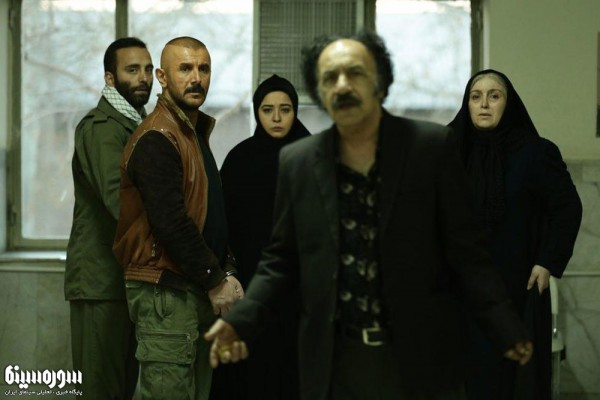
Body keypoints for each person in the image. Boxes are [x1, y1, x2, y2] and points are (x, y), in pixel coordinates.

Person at [204, 31, 535, 400]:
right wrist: (241, 321)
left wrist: (503, 321)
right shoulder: (299, 161)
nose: (343, 85)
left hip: (419, 353)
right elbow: (280, 260)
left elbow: (466, 251)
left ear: (380, 82)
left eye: (355, 73)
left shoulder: (430, 149)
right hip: (333, 358)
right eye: (330, 77)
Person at [112, 36, 243, 400]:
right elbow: (170, 222)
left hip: (190, 288)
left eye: (203, 69)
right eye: (185, 68)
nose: (196, 78)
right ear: (163, 77)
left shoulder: (190, 132)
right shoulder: (158, 136)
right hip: (166, 292)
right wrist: (215, 279)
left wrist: (226, 271)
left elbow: (208, 214)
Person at [448, 69, 582, 400]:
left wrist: (548, 261)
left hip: (519, 285)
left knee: (514, 380)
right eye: (476, 97)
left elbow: (567, 207)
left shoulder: (535, 152)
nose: (484, 104)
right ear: (467, 104)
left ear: (508, 104)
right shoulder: (449, 150)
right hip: (461, 289)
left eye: (494, 96)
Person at [211, 74, 310, 400]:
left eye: (285, 109)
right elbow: (221, 226)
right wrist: (227, 275)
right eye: (268, 110)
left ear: (295, 111)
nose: (277, 118)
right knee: (250, 376)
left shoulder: (314, 158)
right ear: (257, 112)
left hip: (301, 291)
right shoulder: (240, 160)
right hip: (250, 288)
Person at [65, 36, 153, 400]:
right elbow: (121, 201)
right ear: (110, 79)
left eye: (147, 69)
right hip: (101, 283)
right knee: (100, 389)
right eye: (132, 70)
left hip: (119, 280)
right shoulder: (103, 127)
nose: (143, 78)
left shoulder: (133, 123)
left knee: (120, 387)